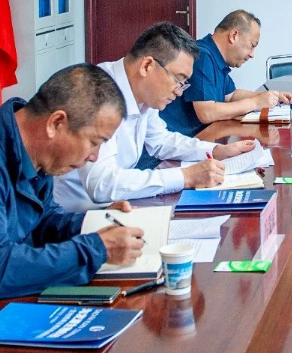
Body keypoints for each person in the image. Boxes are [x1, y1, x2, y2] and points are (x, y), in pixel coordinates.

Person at [0, 65, 145, 353]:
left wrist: (95, 222)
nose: (94, 157)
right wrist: (95, 249)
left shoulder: (34, 151)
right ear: (56, 123)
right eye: (94, 143)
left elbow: (43, 221)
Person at [54, 22, 255, 212]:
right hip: (75, 218)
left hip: (118, 204)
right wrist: (185, 177)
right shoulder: (98, 93)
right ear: (147, 66)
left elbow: (160, 140)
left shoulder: (143, 94)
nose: (179, 91)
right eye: (178, 80)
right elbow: (102, 184)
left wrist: (216, 150)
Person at [160, 10, 292, 136]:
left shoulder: (215, 56)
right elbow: (206, 113)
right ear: (233, 36)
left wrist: (271, 97)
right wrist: (255, 103)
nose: (252, 54)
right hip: (181, 141)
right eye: (252, 45)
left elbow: (231, 95)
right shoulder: (203, 56)